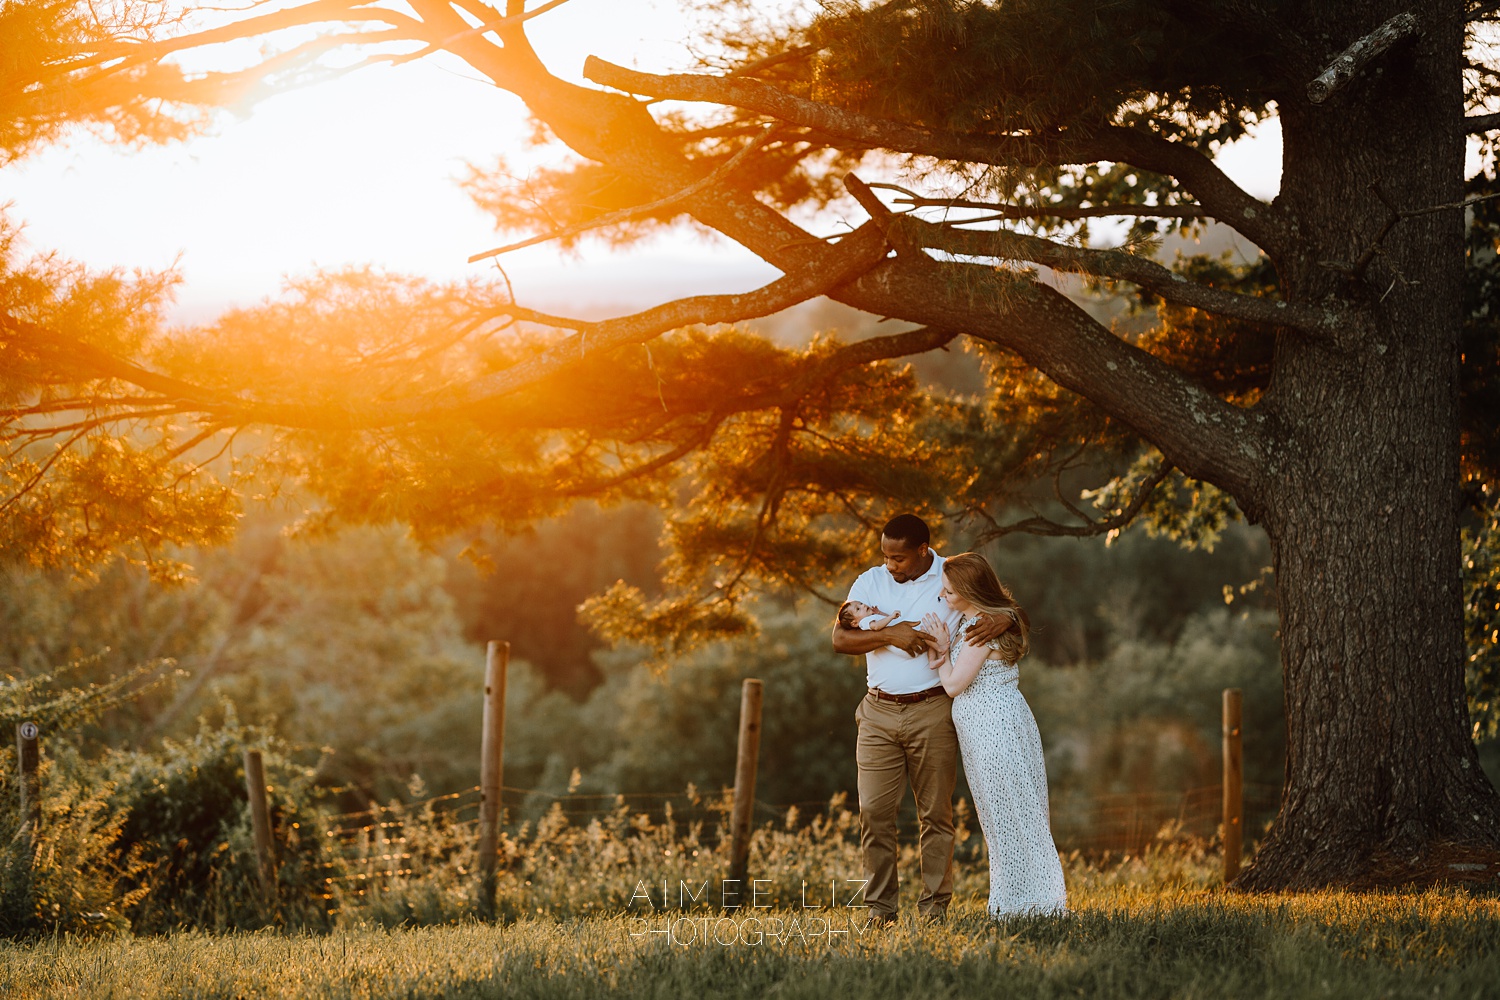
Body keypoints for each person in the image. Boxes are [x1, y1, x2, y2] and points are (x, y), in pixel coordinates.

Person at [832, 514, 1015, 924]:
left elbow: (997, 603)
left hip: (933, 710)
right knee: (874, 813)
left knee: (936, 814)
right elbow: (840, 638)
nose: (890, 565)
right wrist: (889, 635)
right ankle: (881, 910)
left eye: (898, 558)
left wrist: (1008, 618)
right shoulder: (869, 581)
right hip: (877, 711)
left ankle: (935, 909)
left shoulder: (950, 574)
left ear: (922, 550)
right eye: (885, 556)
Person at [921, 551, 1068, 918]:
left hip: (992, 727)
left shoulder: (980, 629)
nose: (943, 598)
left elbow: (954, 685)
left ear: (971, 591)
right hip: (995, 723)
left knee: (1009, 817)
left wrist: (939, 652)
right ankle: (1018, 902)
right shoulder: (984, 620)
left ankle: (1030, 905)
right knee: (1006, 815)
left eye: (950, 593)